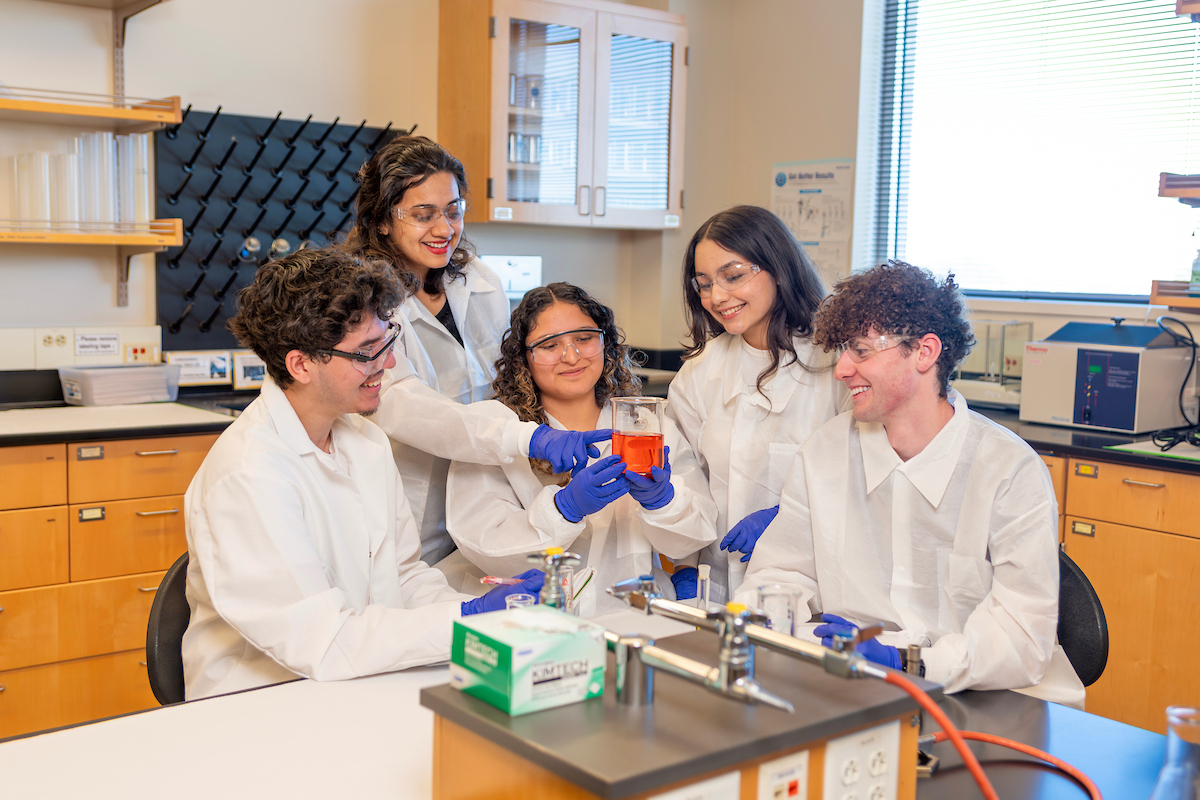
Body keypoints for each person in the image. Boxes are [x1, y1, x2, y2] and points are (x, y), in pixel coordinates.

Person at [182, 248, 543, 700]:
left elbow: (404, 577)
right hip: (261, 701)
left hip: (357, 680)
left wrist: (482, 616)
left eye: (386, 341)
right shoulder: (250, 474)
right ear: (301, 364)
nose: (388, 365)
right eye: (366, 352)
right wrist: (465, 619)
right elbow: (323, 643)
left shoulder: (365, 443)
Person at [733, 261, 1085, 707]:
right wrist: (756, 619)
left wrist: (908, 662)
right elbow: (782, 572)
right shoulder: (825, 453)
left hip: (979, 697)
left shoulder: (1009, 471)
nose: (841, 369)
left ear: (924, 352)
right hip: (856, 688)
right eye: (843, 350)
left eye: (860, 350)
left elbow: (1019, 635)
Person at [445, 283, 717, 616]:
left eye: (584, 338)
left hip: (632, 615)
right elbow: (484, 546)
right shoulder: (494, 434)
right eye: (549, 345)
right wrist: (564, 508)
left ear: (605, 342)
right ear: (523, 359)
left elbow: (696, 535)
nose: (572, 356)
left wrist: (664, 503)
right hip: (530, 621)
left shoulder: (649, 430)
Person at [343, 135, 511, 573]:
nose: (444, 229)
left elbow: (506, 376)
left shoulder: (480, 281)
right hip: (407, 500)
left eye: (453, 211)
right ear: (382, 220)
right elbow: (398, 403)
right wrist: (515, 437)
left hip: (485, 494)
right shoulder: (362, 301)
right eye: (423, 215)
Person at [666, 205, 848, 603]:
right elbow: (684, 479)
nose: (717, 296)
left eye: (732, 277)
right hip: (714, 585)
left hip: (814, 592)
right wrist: (681, 568)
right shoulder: (700, 373)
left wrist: (788, 518)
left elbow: (863, 480)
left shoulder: (837, 363)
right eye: (704, 284)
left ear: (779, 269)